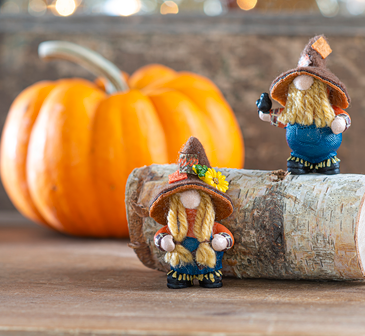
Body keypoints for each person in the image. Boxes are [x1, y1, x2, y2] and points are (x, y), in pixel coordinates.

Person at [256, 35, 351, 175]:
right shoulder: (291, 114)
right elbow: (277, 117)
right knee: (296, 168)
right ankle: (300, 162)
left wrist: (340, 122)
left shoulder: (330, 113)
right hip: (299, 156)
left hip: (326, 155)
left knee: (328, 169)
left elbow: (344, 118)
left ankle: (326, 162)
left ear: (325, 91)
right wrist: (264, 111)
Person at [150, 137, 234, 289]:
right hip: (181, 263)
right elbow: (161, 233)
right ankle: (182, 276)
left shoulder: (211, 226)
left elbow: (225, 233)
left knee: (209, 271)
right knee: (180, 269)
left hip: (208, 264)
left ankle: (208, 275)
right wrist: (164, 240)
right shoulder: (174, 226)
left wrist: (222, 240)